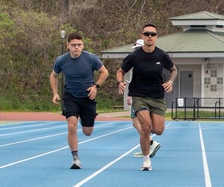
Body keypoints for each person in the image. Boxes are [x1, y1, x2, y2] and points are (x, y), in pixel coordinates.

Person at [116, 24, 176, 172]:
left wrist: (170, 81)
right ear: (143, 36)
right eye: (147, 34)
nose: (150, 37)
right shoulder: (134, 56)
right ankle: (146, 160)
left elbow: (173, 69)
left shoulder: (161, 55)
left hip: (156, 97)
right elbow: (120, 71)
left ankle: (149, 147)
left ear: (156, 37)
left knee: (159, 129)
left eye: (153, 34)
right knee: (146, 127)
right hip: (139, 96)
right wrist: (120, 82)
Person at [50, 32, 109, 170]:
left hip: (88, 97)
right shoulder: (61, 60)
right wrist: (55, 93)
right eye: (73, 45)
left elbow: (104, 72)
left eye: (79, 45)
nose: (76, 47)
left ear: (82, 45)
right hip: (70, 96)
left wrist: (96, 86)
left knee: (87, 132)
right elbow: (53, 76)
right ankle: (75, 158)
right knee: (71, 126)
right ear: (68, 45)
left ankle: (84, 118)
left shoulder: (91, 58)